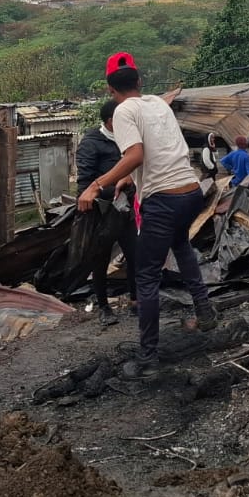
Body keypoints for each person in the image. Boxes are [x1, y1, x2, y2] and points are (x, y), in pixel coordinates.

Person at [77, 52, 217, 377]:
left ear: (110, 89)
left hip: (164, 200)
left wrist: (95, 186)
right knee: (181, 246)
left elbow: (136, 154)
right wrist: (128, 178)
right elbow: (156, 149)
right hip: (191, 192)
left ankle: (148, 357)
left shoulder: (123, 111)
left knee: (147, 275)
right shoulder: (157, 103)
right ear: (140, 81)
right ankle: (205, 311)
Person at [76, 100, 139, 326]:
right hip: (102, 212)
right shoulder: (91, 144)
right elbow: (85, 185)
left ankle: (135, 301)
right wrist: (111, 189)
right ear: (112, 121)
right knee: (100, 259)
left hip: (125, 209)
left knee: (134, 254)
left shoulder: (128, 141)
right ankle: (104, 307)